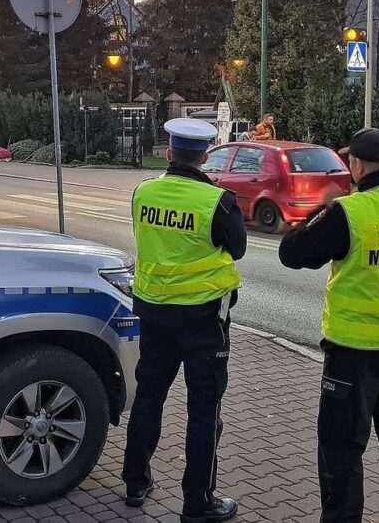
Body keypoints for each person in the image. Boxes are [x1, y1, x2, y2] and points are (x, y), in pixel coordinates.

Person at [278, 128, 379, 523]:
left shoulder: (348, 212)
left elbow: (292, 253)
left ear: (355, 165)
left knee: (342, 452)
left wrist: (313, 214)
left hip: (354, 354)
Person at [123, 118, 246, 523]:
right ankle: (198, 502)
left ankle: (136, 482)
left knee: (149, 397)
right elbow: (238, 249)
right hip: (203, 321)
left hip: (153, 314)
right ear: (205, 156)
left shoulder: (144, 192)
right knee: (203, 410)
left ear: (170, 153)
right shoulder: (218, 202)